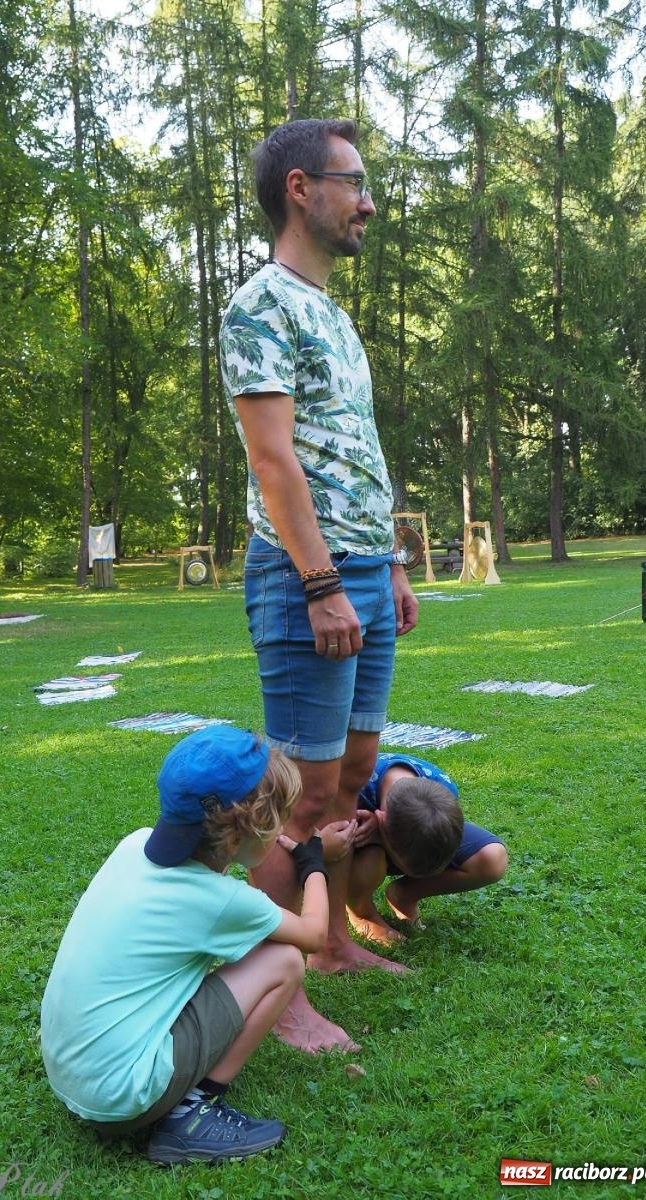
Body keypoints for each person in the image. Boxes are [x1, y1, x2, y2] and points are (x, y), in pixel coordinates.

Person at [219, 118, 419, 1055]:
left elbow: (355, 451)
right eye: (355, 183)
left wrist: (394, 564)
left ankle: (332, 940)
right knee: (296, 799)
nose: (368, 202)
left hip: (367, 573)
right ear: (302, 189)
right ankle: (274, 980)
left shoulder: (332, 312)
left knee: (344, 787)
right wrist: (323, 581)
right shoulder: (259, 305)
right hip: (312, 580)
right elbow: (275, 461)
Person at [40, 725, 343, 1166]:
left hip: (73, 1075)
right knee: (283, 960)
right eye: (280, 814)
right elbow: (313, 935)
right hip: (122, 1097)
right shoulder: (219, 902)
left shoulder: (133, 846)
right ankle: (194, 1113)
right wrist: (312, 860)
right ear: (251, 827)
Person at [347, 752, 508, 946]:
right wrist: (363, 830)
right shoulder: (353, 792)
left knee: (491, 859)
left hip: (406, 832)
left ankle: (404, 895)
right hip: (361, 846)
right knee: (369, 862)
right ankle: (362, 913)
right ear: (381, 819)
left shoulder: (443, 790)